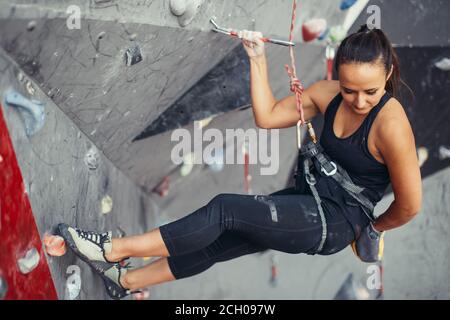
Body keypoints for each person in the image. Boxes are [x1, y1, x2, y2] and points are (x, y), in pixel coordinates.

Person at [57, 25, 422, 299]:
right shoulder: (327, 93)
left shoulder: (392, 126)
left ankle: (110, 250)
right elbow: (267, 117)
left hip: (333, 222)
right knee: (218, 241)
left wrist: (373, 228)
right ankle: (125, 282)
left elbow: (410, 206)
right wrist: (257, 58)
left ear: (387, 75)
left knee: (224, 210)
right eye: (349, 89)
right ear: (339, 79)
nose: (358, 101)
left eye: (370, 92)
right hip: (304, 198)